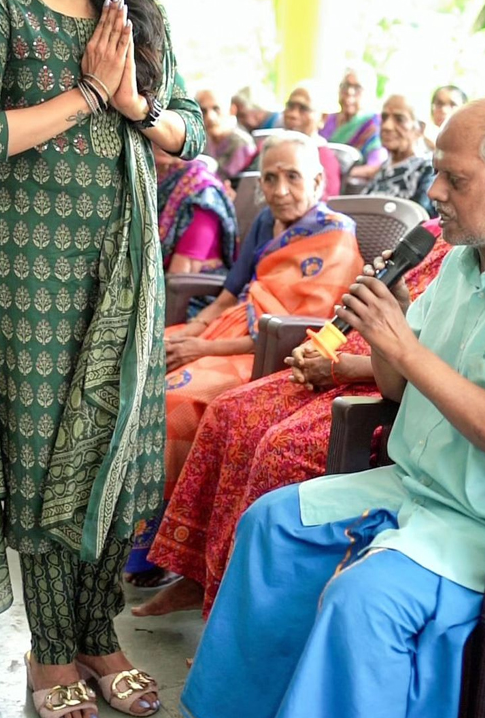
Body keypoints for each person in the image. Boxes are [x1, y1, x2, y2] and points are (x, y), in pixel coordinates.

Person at [178, 98, 485, 718]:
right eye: (436, 172)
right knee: (270, 525)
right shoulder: (461, 262)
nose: (434, 191)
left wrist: (404, 345)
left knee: (365, 599)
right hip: (418, 488)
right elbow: (400, 388)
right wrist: (390, 326)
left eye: (454, 179)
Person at [0, 0, 205, 718]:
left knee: (115, 448)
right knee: (42, 455)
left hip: (124, 263)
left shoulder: (139, 13)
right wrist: (88, 99)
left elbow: (191, 129)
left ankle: (102, 636)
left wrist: (135, 104)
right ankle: (51, 655)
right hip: (25, 270)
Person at [130, 222, 450, 619]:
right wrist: (319, 348)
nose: (438, 192)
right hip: (342, 360)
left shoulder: (484, 257)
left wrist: (345, 366)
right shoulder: (430, 237)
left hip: (379, 386)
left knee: (282, 448)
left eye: (453, 180)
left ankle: (244, 617)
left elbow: (433, 362)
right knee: (228, 413)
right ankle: (201, 577)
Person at [125, 132, 363, 580]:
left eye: (293, 177)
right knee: (135, 364)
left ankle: (159, 551)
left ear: (317, 182)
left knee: (173, 401)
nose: (280, 189)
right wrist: (190, 330)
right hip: (227, 329)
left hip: (268, 353)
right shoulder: (263, 224)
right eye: (270, 178)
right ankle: (114, 528)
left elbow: (305, 331)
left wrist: (203, 347)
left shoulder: (335, 236)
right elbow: (229, 295)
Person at [155, 148, 238, 284]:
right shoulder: (147, 178)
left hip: (191, 294)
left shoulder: (202, 192)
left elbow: (180, 276)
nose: (159, 142)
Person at [246, 81, 341, 198]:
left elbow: (324, 204)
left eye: (303, 109)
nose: (293, 114)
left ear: (323, 118)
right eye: (290, 106)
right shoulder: (268, 146)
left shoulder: (324, 159)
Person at [361, 93, 436, 215]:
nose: (387, 126)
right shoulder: (385, 167)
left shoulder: (428, 169)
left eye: (399, 119)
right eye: (384, 118)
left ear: (420, 129)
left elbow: (422, 219)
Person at [321, 67, 386, 180]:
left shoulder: (373, 126)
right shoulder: (326, 120)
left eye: (357, 88)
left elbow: (375, 167)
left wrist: (336, 172)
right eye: (345, 86)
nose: (350, 92)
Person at [198, 87, 256, 182]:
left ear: (232, 110)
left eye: (216, 109)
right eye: (203, 111)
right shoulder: (201, 141)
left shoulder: (241, 144)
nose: (210, 117)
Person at [423, 84, 468, 150]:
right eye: (439, 104)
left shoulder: (470, 142)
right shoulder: (419, 142)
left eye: (453, 105)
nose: (444, 110)